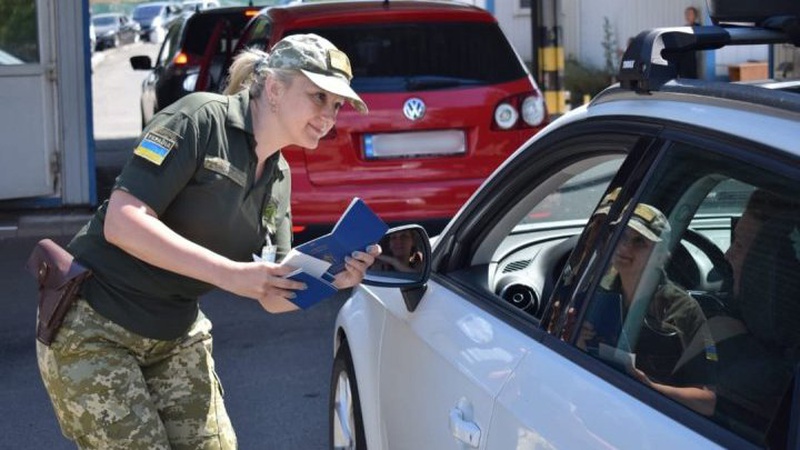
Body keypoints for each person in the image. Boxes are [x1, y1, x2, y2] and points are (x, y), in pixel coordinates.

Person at [36, 34, 380, 449]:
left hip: (174, 333)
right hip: (96, 326)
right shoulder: (198, 120)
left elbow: (272, 295)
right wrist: (231, 274)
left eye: (337, 105)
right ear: (273, 88)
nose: (329, 115)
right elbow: (122, 222)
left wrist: (333, 279)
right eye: (318, 97)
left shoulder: (279, 177)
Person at [577, 203, 715, 414]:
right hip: (598, 403)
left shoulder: (683, 310)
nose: (625, 248)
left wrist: (649, 388)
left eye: (639, 241)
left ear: (662, 256)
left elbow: (708, 401)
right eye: (621, 236)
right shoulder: (595, 293)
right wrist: (578, 341)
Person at [677, 6, 701, 78]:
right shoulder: (683, 28)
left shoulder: (698, 27)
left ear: (695, 16)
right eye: (687, 14)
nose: (688, 16)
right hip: (683, 57)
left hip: (692, 57)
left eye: (690, 14)